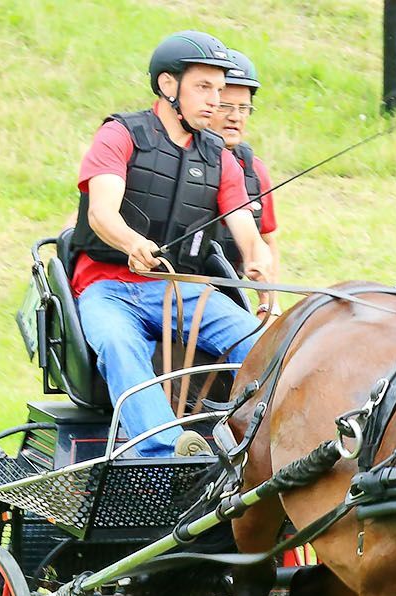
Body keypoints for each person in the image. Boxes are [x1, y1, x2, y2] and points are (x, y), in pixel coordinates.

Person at [71, 30, 273, 457]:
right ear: (168, 85)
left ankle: (271, 443)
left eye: (219, 89)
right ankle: (167, 452)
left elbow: (245, 227)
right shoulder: (119, 135)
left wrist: (258, 260)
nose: (216, 100)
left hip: (178, 291)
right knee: (119, 345)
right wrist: (132, 243)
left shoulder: (218, 157)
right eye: (204, 87)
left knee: (262, 342)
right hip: (106, 289)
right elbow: (101, 214)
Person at [207, 50, 280, 284]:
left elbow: (267, 240)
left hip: (225, 292)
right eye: (225, 106)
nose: (235, 117)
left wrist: (268, 300)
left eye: (244, 108)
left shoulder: (255, 170)